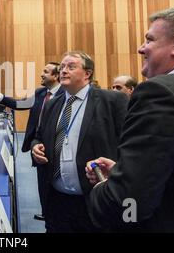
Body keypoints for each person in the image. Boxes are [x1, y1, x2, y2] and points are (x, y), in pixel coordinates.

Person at [86, 7, 174, 232]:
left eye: (149, 40)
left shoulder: (160, 92)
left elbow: (129, 204)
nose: (141, 48)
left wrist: (104, 187)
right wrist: (128, 171)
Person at [31, 51, 128, 232]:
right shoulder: (53, 103)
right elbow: (39, 135)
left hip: (94, 199)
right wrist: (35, 146)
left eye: (71, 66)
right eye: (62, 67)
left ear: (87, 73)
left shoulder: (112, 101)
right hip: (56, 200)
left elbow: (128, 145)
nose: (64, 71)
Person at [0, 63, 64, 223]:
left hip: (56, 147)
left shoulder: (65, 95)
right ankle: (46, 213)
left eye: (46, 72)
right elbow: (19, 105)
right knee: (42, 183)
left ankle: (54, 217)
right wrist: (0, 97)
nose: (41, 74)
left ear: (56, 76)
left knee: (56, 185)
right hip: (37, 144)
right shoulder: (40, 93)